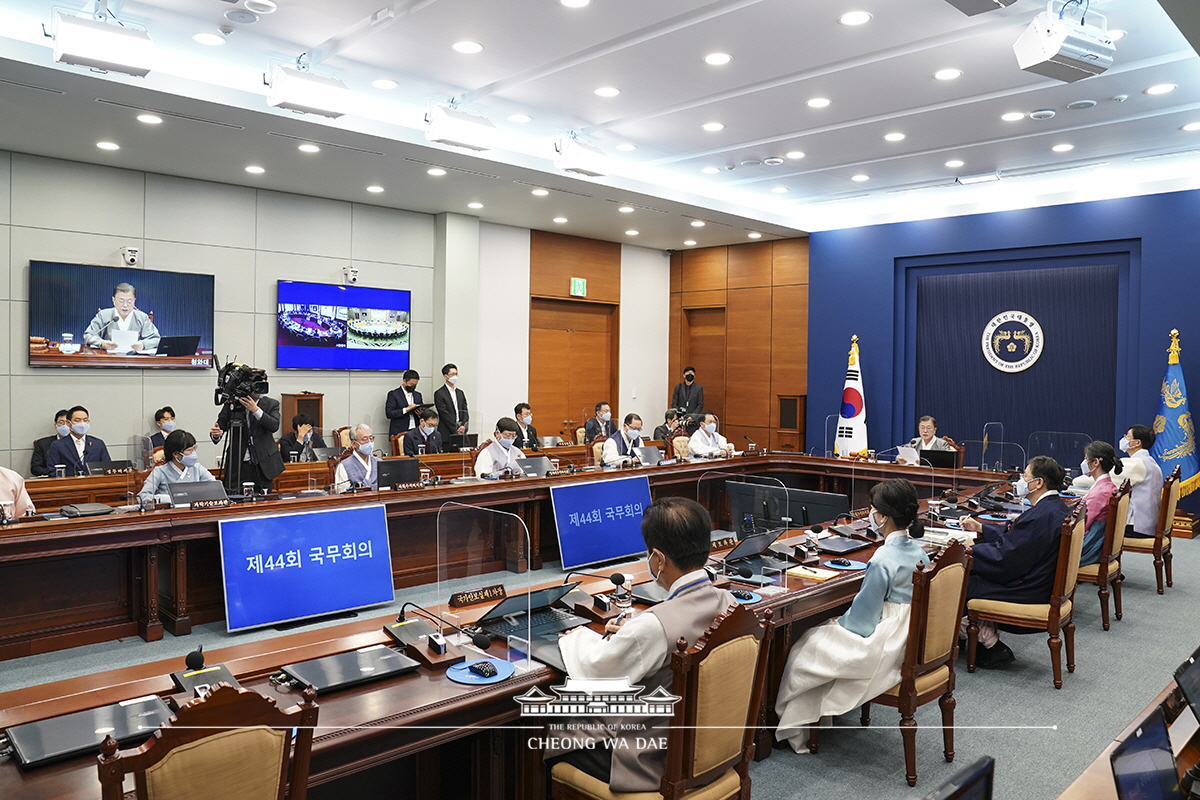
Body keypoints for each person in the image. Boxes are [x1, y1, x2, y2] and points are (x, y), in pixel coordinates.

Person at [545, 497, 735, 792]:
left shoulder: (654, 625)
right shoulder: (729, 603)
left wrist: (576, 638)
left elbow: (597, 672)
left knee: (547, 731)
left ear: (658, 559)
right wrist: (633, 634)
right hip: (710, 751)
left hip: (652, 761)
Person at [775, 479, 930, 749]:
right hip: (911, 638)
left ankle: (793, 729)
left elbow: (861, 622)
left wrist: (834, 623)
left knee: (806, 644)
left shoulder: (882, 559)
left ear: (882, 517)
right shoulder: (920, 552)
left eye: (872, 509)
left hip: (888, 644)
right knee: (821, 635)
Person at [958, 456, 1071, 668]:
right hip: (1043, 582)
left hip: (1030, 590)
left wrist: (968, 549)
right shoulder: (1056, 508)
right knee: (971, 574)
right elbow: (1017, 537)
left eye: (1024, 476)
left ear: (1038, 482)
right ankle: (977, 640)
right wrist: (982, 528)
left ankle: (989, 646)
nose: (1019, 480)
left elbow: (1006, 559)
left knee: (961, 579)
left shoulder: (1041, 515)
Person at [209, 391, 284, 494]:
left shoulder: (272, 404)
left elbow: (274, 426)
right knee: (235, 499)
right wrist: (216, 434)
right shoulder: (233, 404)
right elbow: (219, 428)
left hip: (263, 465)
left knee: (264, 500)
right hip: (238, 464)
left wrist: (256, 410)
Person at [1078, 441, 1127, 566]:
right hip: (1098, 541)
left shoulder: (1100, 492)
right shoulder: (1108, 486)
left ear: (1095, 462)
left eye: (1086, 459)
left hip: (1090, 547)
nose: (1084, 463)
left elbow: (1081, 525)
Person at [136, 430, 217, 504]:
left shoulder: (198, 468)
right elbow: (142, 496)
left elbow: (216, 488)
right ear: (175, 454)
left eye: (194, 449)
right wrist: (168, 499)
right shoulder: (160, 471)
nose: (193, 453)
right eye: (189, 450)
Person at [83, 282, 161, 353]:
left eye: (129, 301)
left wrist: (143, 344)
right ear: (113, 300)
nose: (125, 305)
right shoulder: (103, 315)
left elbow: (156, 339)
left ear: (134, 301)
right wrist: (102, 343)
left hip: (135, 361)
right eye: (121, 301)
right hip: (107, 360)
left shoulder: (142, 317)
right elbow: (88, 335)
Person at [1122, 424, 1164, 539]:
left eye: (1127, 436)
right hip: (1148, 523)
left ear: (1137, 442)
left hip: (1136, 526)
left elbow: (1107, 482)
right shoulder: (1150, 462)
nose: (1124, 439)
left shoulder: (1136, 463)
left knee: (1096, 529)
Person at [46, 405, 112, 476]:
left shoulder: (98, 443)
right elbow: (53, 471)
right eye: (77, 420)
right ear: (68, 423)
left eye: (85, 420)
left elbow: (108, 468)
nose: (82, 423)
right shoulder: (57, 445)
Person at [333, 424, 379, 492]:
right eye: (365, 439)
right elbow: (342, 494)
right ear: (354, 444)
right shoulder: (344, 466)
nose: (369, 442)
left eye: (371, 438)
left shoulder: (379, 462)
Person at [433, 363, 469, 442]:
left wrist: (463, 426)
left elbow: (465, 410)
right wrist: (456, 428)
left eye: (456, 374)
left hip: (462, 432)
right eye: (452, 374)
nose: (455, 376)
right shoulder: (439, 393)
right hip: (447, 432)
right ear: (446, 376)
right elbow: (444, 413)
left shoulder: (460, 392)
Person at [30, 409, 69, 477]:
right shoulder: (43, 444)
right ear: (55, 425)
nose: (64, 425)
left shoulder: (81, 443)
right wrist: (54, 472)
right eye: (61, 422)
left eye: (67, 422)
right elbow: (35, 468)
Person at [385, 369, 424, 438]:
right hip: (399, 431)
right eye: (411, 384)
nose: (413, 387)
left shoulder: (418, 395)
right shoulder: (394, 394)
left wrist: (420, 413)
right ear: (404, 381)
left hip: (416, 430)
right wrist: (406, 409)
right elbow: (389, 413)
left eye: (415, 385)